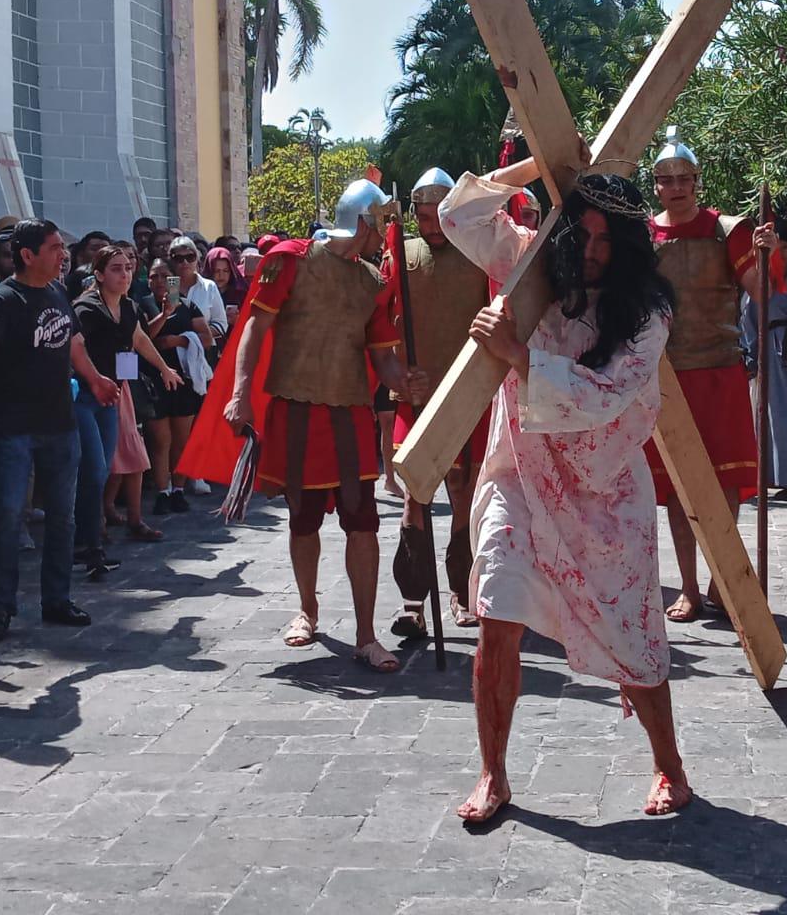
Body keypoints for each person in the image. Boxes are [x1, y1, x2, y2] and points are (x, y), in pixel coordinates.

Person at [437, 151, 690, 822]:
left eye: (613, 238)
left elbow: (608, 394)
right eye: (588, 234)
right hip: (519, 472)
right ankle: (493, 774)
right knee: (496, 614)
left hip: (605, 492)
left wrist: (518, 355)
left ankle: (671, 767)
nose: (598, 251)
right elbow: (457, 212)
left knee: (635, 635)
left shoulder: (647, 313)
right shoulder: (530, 266)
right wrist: (545, 167)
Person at [210, 179, 427, 673]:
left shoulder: (372, 283)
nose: (387, 235)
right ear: (365, 221)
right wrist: (241, 392)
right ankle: (307, 610)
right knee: (304, 517)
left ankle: (367, 635)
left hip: (349, 412)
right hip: (297, 408)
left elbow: (383, 361)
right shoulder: (292, 261)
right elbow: (254, 328)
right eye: (383, 224)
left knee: (362, 520)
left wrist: (406, 382)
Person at [0, 219, 119, 645]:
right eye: (53, 248)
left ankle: (57, 599)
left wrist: (97, 379)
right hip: (16, 429)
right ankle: (1, 608)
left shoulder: (57, 291)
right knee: (8, 518)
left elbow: (73, 344)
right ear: (27, 255)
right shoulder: (4, 299)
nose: (62, 254)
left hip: (60, 424)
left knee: (62, 518)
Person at [644, 128, 772, 621]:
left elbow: (761, 295)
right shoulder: (646, 237)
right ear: (656, 185)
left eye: (684, 178)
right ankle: (690, 587)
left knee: (722, 485)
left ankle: (723, 578)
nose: (676, 186)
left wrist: (767, 255)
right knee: (678, 486)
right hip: (670, 377)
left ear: (697, 181)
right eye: (666, 179)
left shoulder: (728, 230)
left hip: (720, 372)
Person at [385, 167, 492, 636]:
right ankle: (412, 602)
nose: (431, 225)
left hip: (466, 393)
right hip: (417, 395)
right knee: (415, 494)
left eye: (438, 216)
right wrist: (399, 371)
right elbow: (380, 322)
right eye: (423, 217)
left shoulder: (478, 255)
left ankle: (460, 590)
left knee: (464, 494)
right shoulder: (399, 254)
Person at [72, 244, 182, 565]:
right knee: (93, 468)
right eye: (116, 268)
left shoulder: (128, 305)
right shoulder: (86, 308)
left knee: (104, 468)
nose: (124, 273)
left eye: (128, 268)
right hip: (85, 395)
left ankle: (92, 538)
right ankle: (86, 539)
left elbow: (138, 341)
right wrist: (96, 379)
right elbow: (74, 349)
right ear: (100, 274)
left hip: (114, 394)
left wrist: (163, 368)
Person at [138, 258, 217, 517]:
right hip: (154, 381)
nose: (159, 281)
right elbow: (143, 339)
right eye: (153, 276)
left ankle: (179, 489)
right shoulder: (142, 304)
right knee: (161, 440)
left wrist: (180, 340)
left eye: (164, 276)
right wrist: (164, 315)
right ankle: (163, 490)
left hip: (183, 381)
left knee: (181, 440)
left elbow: (206, 338)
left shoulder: (188, 305)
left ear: (174, 279)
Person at [741, 249, 787, 498]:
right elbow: (749, 323)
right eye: (775, 249)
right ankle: (779, 478)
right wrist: (751, 357)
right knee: (776, 420)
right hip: (773, 358)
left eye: (785, 248)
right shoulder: (761, 290)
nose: (780, 255)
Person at [206, 246, 248, 328]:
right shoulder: (201, 293)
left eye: (226, 271)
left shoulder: (241, 293)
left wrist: (238, 321)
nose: (221, 275)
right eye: (216, 271)